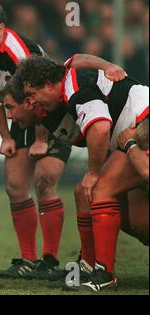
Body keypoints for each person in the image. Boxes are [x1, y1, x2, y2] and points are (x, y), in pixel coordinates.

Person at [10, 55, 148, 291]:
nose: (31, 102)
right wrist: (106, 65)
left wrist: (94, 172)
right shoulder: (63, 77)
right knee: (134, 220)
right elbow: (76, 58)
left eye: (32, 95)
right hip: (132, 132)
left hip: (141, 126)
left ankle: (104, 275)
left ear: (46, 85)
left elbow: (101, 127)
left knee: (97, 189)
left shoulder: (73, 87)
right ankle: (86, 267)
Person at [0, 0, 71, 280]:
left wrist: (40, 138)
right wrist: (5, 136)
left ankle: (49, 261)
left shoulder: (19, 51)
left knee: (45, 181)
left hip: (51, 116)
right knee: (15, 187)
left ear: (1, 29)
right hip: (22, 117)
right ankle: (27, 260)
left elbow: (40, 96)